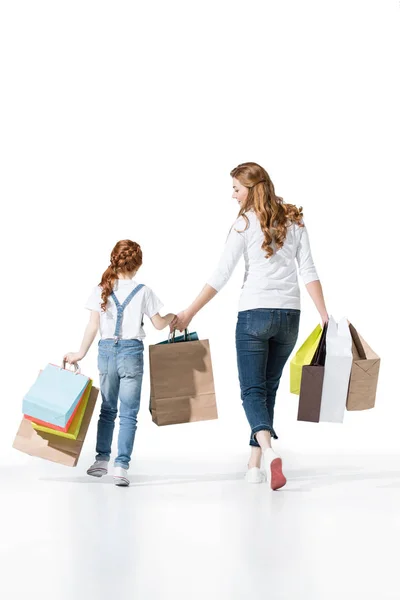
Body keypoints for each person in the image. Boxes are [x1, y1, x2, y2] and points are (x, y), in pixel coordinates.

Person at [171, 162, 328, 490]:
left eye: (236, 189)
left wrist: (188, 313)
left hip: (254, 314)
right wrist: (324, 315)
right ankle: (254, 464)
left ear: (252, 188)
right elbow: (309, 270)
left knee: (252, 390)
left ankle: (269, 453)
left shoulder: (244, 224)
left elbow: (220, 275)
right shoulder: (294, 221)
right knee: (268, 388)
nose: (232, 195)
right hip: (290, 317)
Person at [64, 239, 175, 487]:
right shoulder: (144, 291)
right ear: (138, 265)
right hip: (131, 354)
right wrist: (173, 317)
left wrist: (80, 353)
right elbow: (158, 324)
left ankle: (101, 460)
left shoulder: (101, 289)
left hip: (105, 353)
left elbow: (92, 326)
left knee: (107, 409)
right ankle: (121, 466)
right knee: (128, 414)